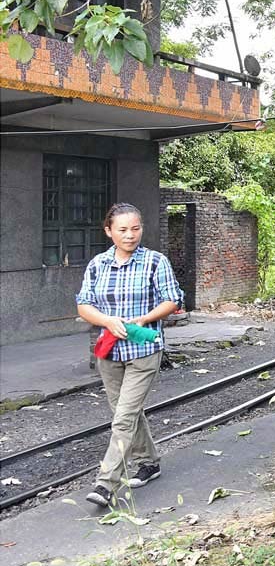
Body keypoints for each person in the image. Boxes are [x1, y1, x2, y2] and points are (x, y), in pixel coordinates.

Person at [76, 203, 183, 508]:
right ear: (108, 231)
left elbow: (173, 299)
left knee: (123, 418)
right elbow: (84, 304)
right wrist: (107, 321)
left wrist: (146, 318)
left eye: (135, 228)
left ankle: (106, 484)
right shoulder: (98, 264)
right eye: (122, 229)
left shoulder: (154, 261)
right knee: (126, 413)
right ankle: (149, 462)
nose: (130, 235)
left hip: (144, 351)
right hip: (109, 352)